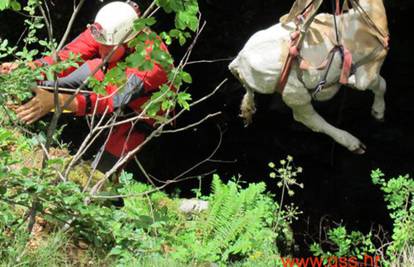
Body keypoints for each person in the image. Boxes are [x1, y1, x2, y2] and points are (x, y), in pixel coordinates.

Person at [0, 1, 170, 173]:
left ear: (129, 41)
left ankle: (104, 193)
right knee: (44, 84)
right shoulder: (108, 29)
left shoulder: (151, 64)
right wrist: (29, 69)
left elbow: (110, 100)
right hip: (109, 73)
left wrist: (57, 101)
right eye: (100, 43)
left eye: (108, 46)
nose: (101, 49)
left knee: (103, 170)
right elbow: (67, 57)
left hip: (142, 111)